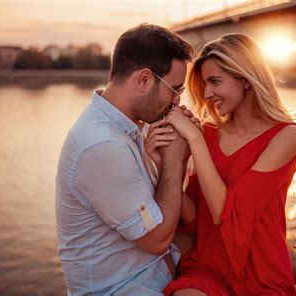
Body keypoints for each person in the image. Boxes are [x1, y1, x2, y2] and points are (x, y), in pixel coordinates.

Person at [145, 33, 296, 295]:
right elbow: (194, 216)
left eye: (215, 82)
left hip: (260, 272)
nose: (207, 93)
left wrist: (193, 138)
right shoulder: (209, 134)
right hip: (206, 267)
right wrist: (162, 165)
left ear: (244, 79)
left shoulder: (287, 136)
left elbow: (227, 214)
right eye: (204, 83)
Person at [55, 23, 196, 295]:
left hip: (157, 277)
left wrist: (158, 162)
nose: (178, 101)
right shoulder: (102, 144)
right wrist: (174, 161)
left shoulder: (132, 127)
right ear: (144, 80)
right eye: (175, 89)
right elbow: (156, 240)